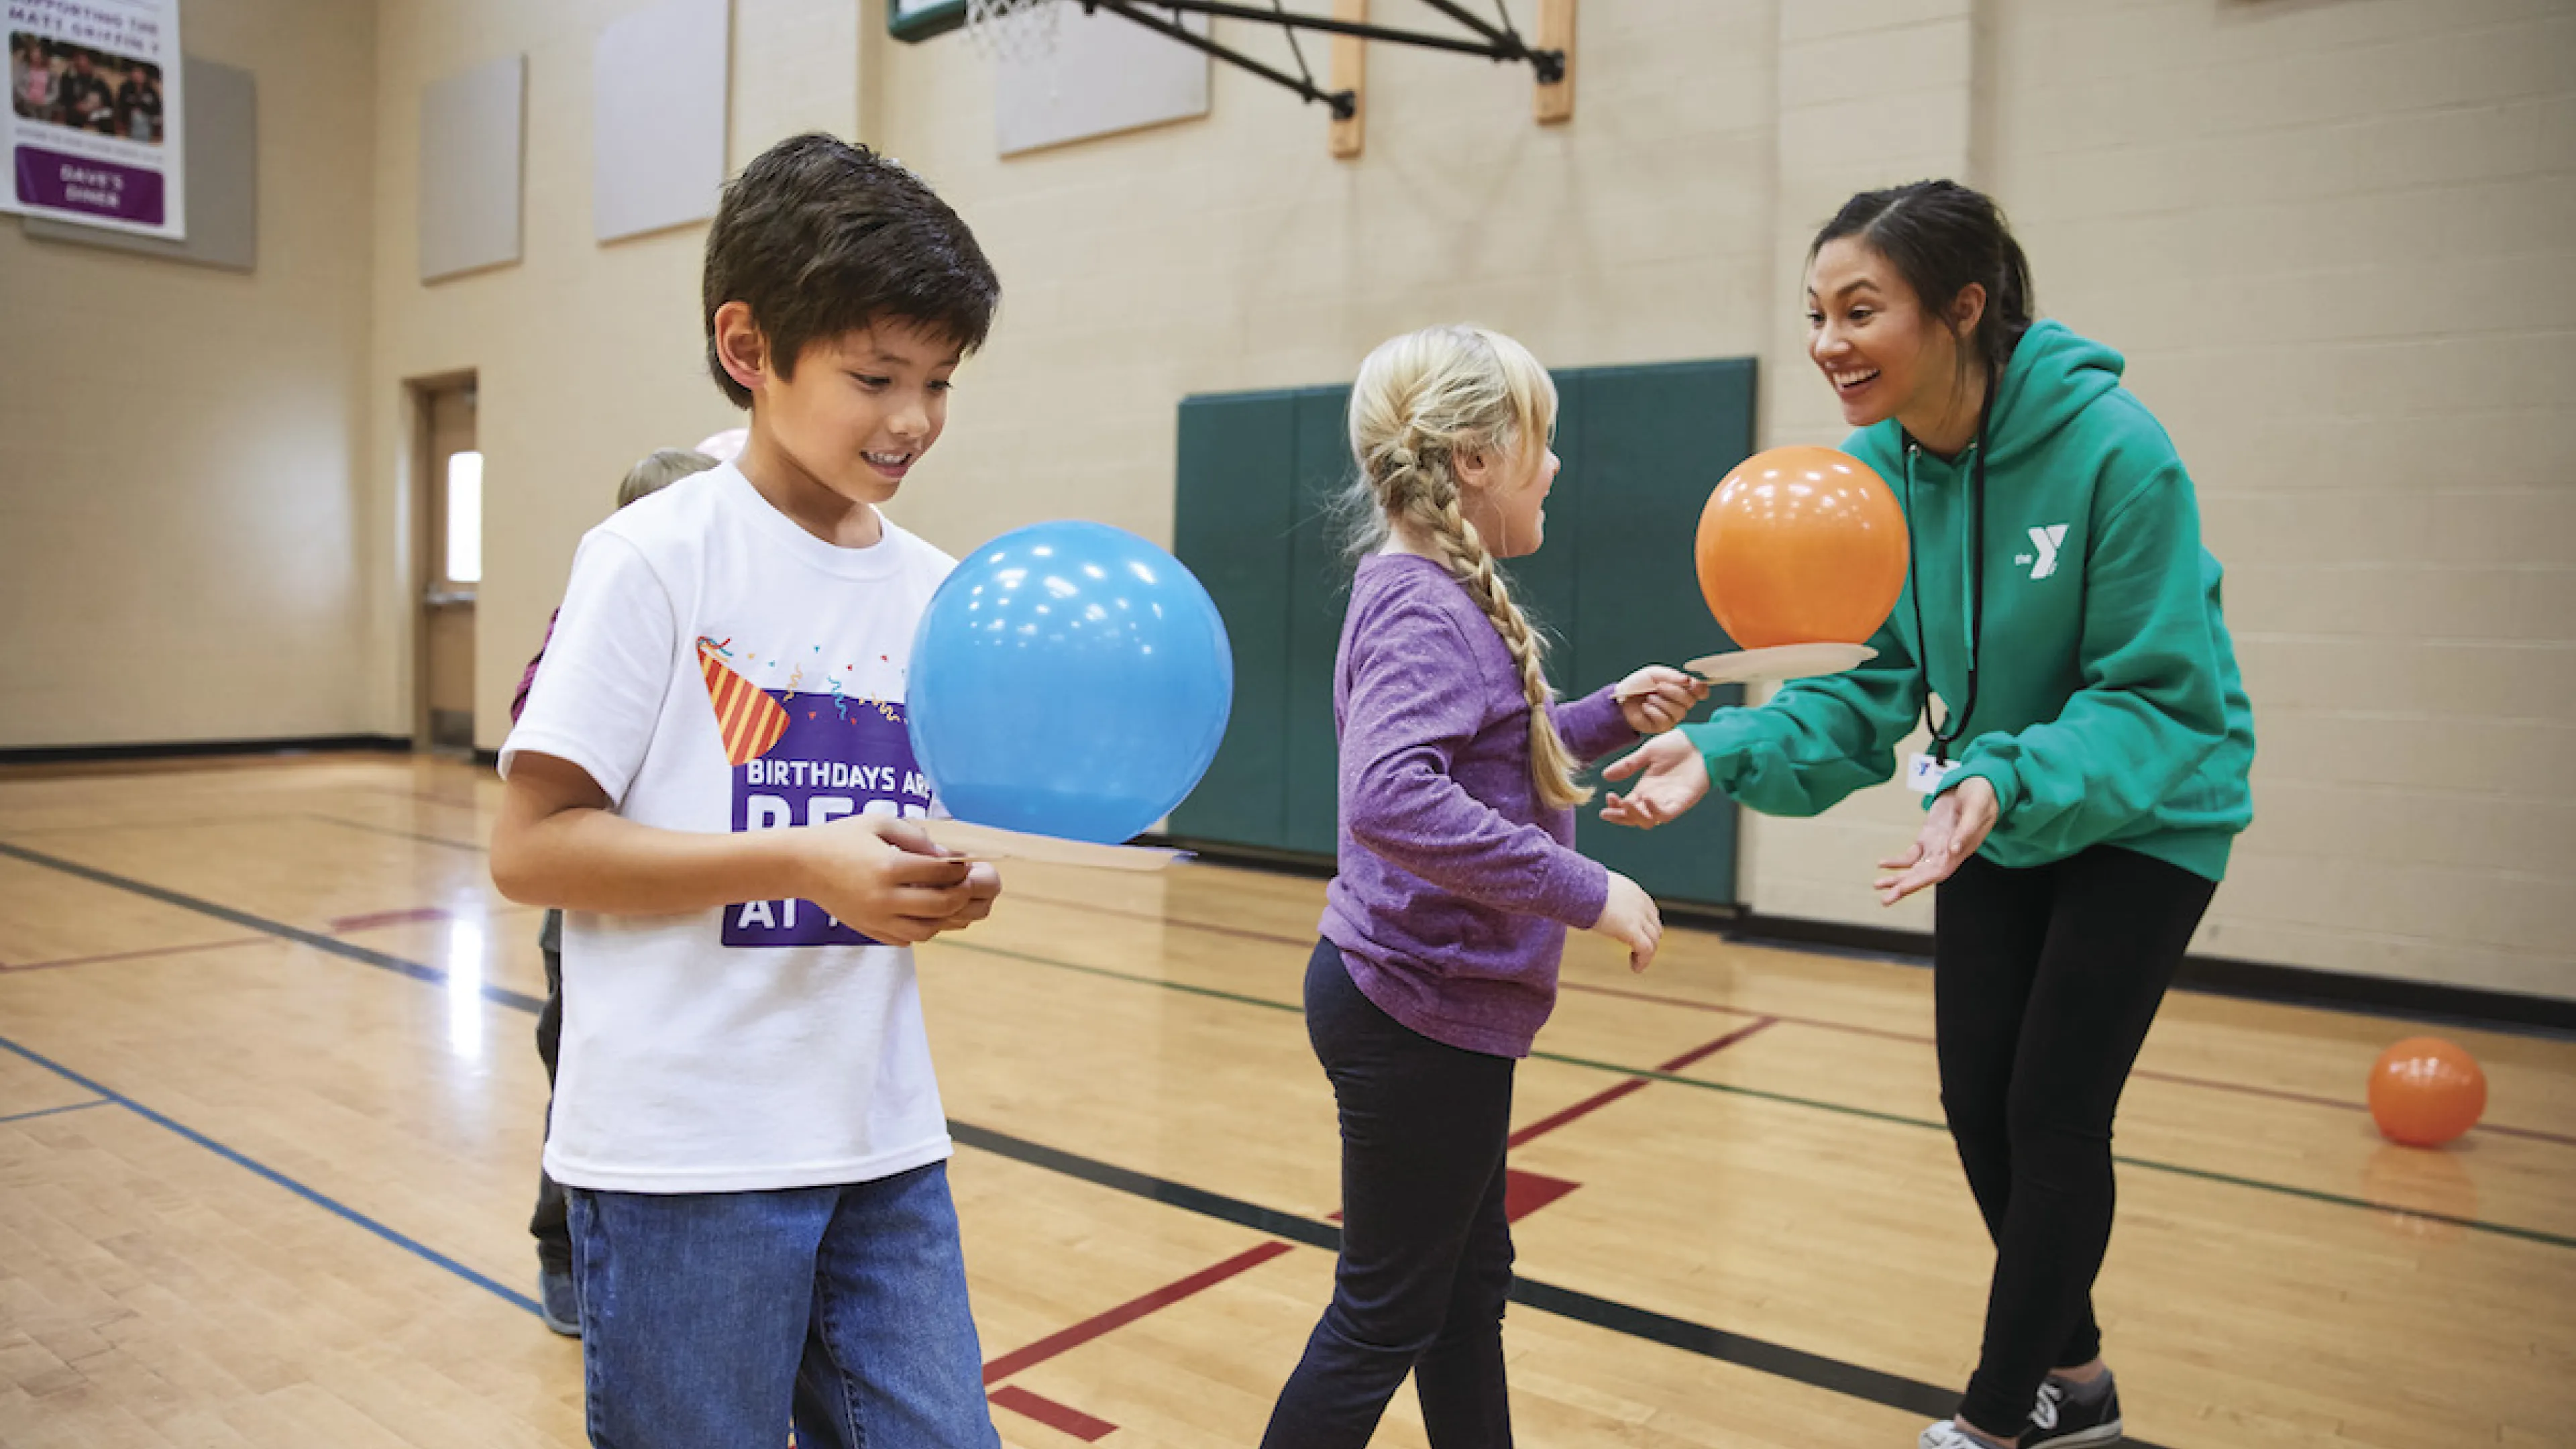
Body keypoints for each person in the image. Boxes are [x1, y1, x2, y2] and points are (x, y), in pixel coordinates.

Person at [1603, 180, 2255, 1449]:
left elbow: (2155, 696)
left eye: (1862, 309)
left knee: (2051, 1108)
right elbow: (1866, 690)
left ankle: (2001, 1417)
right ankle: (2079, 1377)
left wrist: (2002, 777)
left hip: (2148, 807)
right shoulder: (1875, 478)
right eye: (1816, 313)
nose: (1829, 342)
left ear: (1964, 308)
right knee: (1976, 1100)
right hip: (1988, 809)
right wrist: (1722, 749)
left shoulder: (2118, 450)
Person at [488, 133, 1008, 1447]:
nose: (914, 420)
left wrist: (941, 879)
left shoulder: (934, 589)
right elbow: (533, 849)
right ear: (748, 346)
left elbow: (877, 832)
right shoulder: (653, 560)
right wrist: (797, 863)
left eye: (941, 382)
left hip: (879, 1142)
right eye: (876, 377)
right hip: (684, 1161)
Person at [1260, 324, 1705, 1447]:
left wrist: (1601, 717)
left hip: (1432, 1003)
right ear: (1471, 458)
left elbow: (1475, 753)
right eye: (1541, 442)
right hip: (1418, 1006)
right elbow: (1393, 797)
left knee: (1462, 1295)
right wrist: (1583, 885)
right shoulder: (1424, 605)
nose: (1554, 465)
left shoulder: (1430, 597)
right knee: (1387, 1314)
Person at [509, 446, 720, 1336]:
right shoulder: (591, 631)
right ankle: (563, 1249)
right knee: (586, 1089)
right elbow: (545, 761)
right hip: (597, 925)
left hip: (702, 917)